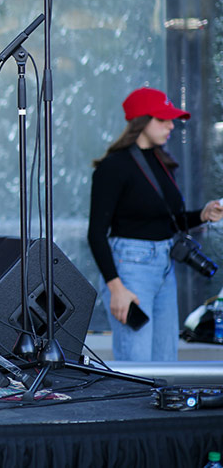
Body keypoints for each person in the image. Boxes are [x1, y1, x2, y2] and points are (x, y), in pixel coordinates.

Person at [87, 87, 223, 361]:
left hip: (163, 265)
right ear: (141, 121)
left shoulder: (162, 163)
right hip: (131, 268)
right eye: (162, 119)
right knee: (137, 363)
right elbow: (96, 234)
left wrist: (204, 214)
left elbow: (166, 222)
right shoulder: (114, 167)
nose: (171, 125)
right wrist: (116, 289)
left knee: (166, 361)